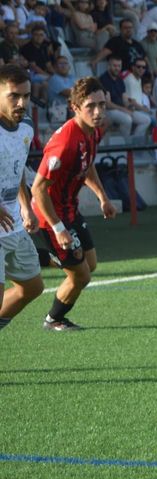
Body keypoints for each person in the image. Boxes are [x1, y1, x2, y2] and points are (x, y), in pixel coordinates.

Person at [31, 76, 117, 331]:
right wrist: (59, 229)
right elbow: (38, 189)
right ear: (75, 107)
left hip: (70, 208)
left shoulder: (92, 132)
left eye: (102, 104)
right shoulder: (65, 142)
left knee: (89, 264)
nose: (98, 111)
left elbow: (87, 164)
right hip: (51, 215)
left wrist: (102, 197)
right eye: (91, 106)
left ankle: (50, 257)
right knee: (81, 275)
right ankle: (54, 319)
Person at [0, 65, 45, 331]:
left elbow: (16, 168)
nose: (21, 102)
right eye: (14, 96)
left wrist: (26, 207)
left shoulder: (26, 126)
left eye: (26, 96)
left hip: (14, 223)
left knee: (32, 287)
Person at [100, 55, 150, 137]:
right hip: (108, 111)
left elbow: (124, 98)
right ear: (109, 66)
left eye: (119, 66)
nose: (117, 68)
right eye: (114, 66)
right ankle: (125, 145)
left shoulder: (119, 80)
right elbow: (107, 104)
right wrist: (124, 109)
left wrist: (129, 106)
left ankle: (134, 143)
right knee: (127, 119)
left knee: (146, 120)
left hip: (121, 109)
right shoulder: (104, 79)